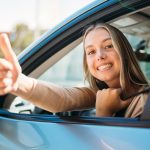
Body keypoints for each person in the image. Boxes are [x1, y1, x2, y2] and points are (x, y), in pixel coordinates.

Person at [0, 23, 149, 118]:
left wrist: (104, 113)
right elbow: (62, 99)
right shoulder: (98, 93)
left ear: (124, 51)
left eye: (109, 46)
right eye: (91, 52)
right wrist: (19, 82)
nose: (100, 56)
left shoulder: (145, 102)